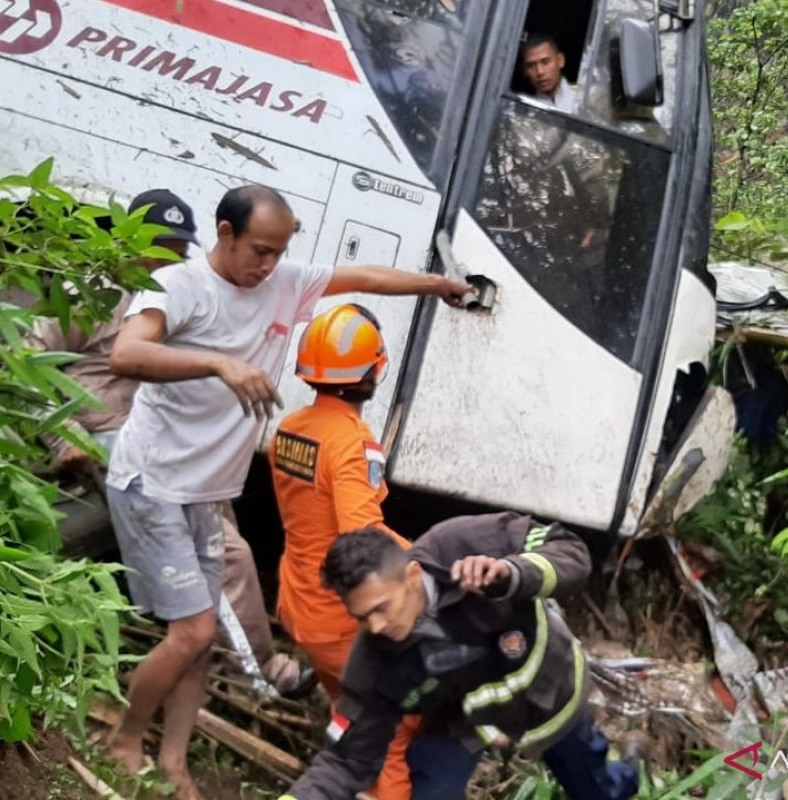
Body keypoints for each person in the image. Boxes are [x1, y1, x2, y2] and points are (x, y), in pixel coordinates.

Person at [103, 184, 471, 799]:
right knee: (192, 632)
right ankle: (124, 735)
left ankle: (171, 761)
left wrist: (439, 286)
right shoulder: (181, 285)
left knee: (197, 644)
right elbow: (126, 351)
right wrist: (219, 363)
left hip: (204, 494)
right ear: (224, 233)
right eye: (258, 250)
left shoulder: (283, 288)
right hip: (153, 481)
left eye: (279, 252)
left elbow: (368, 279)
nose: (269, 265)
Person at [25, 189, 315, 700]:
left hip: (159, 437)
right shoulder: (94, 292)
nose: (166, 257)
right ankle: (261, 672)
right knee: (225, 551)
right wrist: (58, 438)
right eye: (155, 245)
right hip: (105, 430)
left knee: (225, 524)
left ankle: (215, 652)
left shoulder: (177, 291)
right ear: (127, 240)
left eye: (176, 249)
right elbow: (30, 365)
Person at [278, 516, 639, 800]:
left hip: (549, 691)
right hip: (468, 724)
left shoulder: (463, 543)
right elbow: (347, 761)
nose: (375, 626)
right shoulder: (373, 665)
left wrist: (514, 573)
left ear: (413, 576)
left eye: (381, 608)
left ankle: (631, 767)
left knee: (597, 789)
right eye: (361, 617)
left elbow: (571, 550)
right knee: (430, 786)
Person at [269, 303, 418, 799]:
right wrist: (427, 557)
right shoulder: (353, 443)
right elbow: (363, 534)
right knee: (390, 740)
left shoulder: (290, 428)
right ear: (377, 370)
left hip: (299, 608)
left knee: (357, 727)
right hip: (340, 622)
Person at [519, 33, 579, 112]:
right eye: (531, 66)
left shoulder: (583, 96)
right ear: (525, 71)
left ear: (560, 61)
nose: (540, 72)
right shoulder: (524, 108)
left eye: (545, 62)